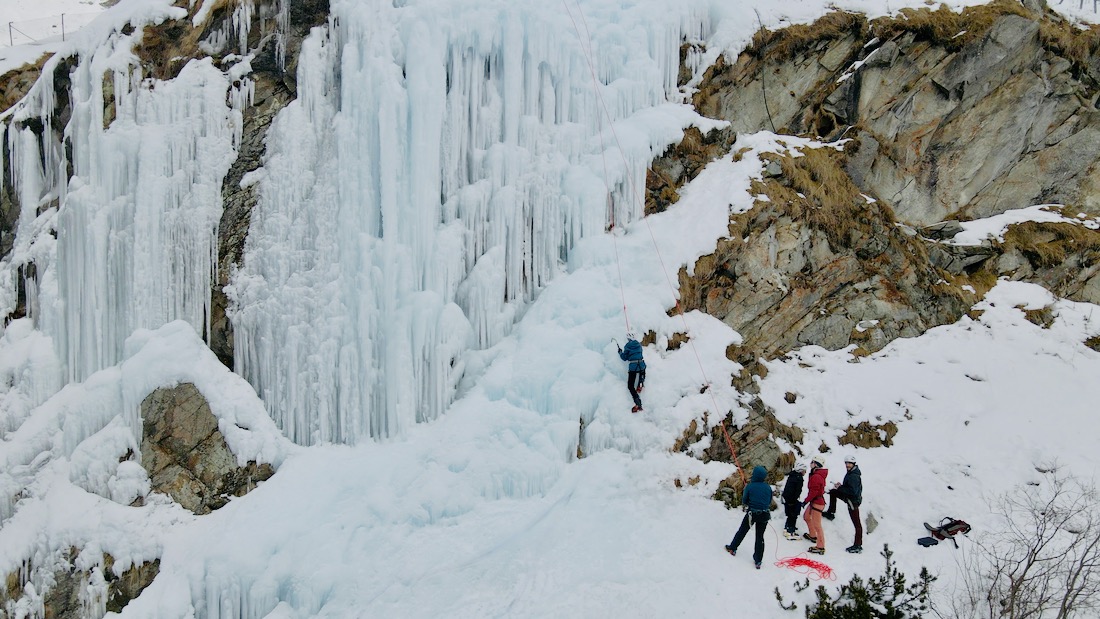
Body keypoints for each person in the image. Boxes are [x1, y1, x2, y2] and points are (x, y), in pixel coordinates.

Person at [724, 465, 773, 569]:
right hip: (764, 515)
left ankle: (733, 548)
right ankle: (758, 560)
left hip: (752, 514)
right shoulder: (768, 487)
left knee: (742, 531)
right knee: (760, 537)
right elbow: (769, 501)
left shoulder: (750, 486)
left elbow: (744, 501)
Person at [823, 454, 863, 553]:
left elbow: (852, 491)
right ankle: (830, 513)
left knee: (857, 524)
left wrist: (840, 488)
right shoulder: (851, 473)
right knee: (833, 492)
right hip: (850, 498)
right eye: (846, 463)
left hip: (852, 502)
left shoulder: (853, 476)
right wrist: (840, 487)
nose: (847, 465)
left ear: (853, 464)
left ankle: (858, 545)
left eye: (849, 463)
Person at [802, 454, 828, 555]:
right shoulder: (816, 474)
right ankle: (813, 535)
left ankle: (820, 546)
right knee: (806, 517)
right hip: (815, 501)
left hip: (817, 502)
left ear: (816, 464)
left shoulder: (816, 476)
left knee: (817, 525)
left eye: (812, 462)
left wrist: (805, 501)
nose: (810, 464)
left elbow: (813, 492)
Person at [617, 332, 646, 413]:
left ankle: (638, 403)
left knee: (630, 386)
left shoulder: (628, 346)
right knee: (642, 373)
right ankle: (640, 385)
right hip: (642, 365)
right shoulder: (639, 345)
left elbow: (624, 358)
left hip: (633, 366)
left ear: (628, 339)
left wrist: (620, 352)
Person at [781, 462, 806, 540]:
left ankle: (787, 526)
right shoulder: (799, 478)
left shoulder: (792, 475)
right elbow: (797, 491)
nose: (805, 472)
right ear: (801, 470)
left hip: (787, 498)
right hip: (792, 499)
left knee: (790, 514)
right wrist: (794, 500)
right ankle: (790, 531)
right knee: (793, 514)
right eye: (804, 470)